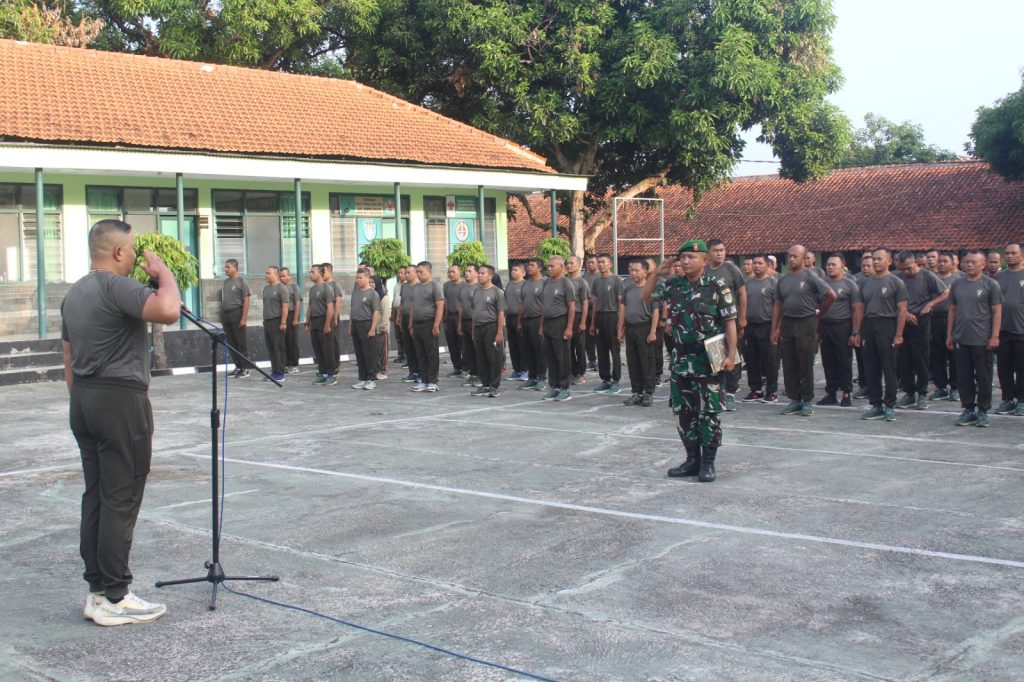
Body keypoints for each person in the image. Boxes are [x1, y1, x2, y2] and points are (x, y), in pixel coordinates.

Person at [62, 218, 181, 626]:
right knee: (122, 495)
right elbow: (168, 309)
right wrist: (163, 274)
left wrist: (80, 398)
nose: (134, 256)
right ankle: (116, 594)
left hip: (84, 397)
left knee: (96, 493)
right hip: (119, 399)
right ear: (117, 252)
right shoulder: (117, 286)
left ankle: (97, 590)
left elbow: (67, 354)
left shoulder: (75, 293)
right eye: (131, 250)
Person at [647, 240, 738, 483]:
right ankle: (692, 460)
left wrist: (730, 355)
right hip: (680, 358)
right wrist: (657, 272)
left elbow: (730, 322)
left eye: (691, 257)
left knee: (709, 413)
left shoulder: (717, 286)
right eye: (682, 257)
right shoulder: (673, 285)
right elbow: (647, 296)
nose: (685, 261)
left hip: (708, 357)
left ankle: (708, 462)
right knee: (684, 412)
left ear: (704, 260)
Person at [771, 245, 836, 416]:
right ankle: (794, 399)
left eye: (795, 256)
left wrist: (819, 313)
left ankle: (807, 400)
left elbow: (831, 296)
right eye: (789, 256)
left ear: (803, 258)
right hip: (788, 323)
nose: (792, 259)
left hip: (806, 322)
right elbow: (778, 305)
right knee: (789, 363)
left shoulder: (810, 277)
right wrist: (775, 329)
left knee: (805, 362)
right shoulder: (783, 280)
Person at [947, 251, 1002, 427]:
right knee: (964, 376)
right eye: (966, 262)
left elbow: (996, 311)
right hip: (961, 338)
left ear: (983, 264)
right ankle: (968, 408)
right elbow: (953, 310)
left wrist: (994, 336)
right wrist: (950, 334)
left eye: (973, 262)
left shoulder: (991, 284)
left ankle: (983, 410)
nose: (969, 265)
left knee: (984, 377)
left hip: (982, 339)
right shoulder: (957, 284)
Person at [858, 248, 908, 422]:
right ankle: (876, 404)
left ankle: (890, 405)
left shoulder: (896, 282)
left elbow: (902, 310)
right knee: (871, 368)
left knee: (889, 368)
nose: (876, 262)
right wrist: (858, 331)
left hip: (887, 325)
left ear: (889, 261)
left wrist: (899, 334)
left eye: (880, 259)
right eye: (874, 259)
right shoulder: (864, 283)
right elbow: (860, 308)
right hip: (869, 325)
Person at [894, 251, 948, 409]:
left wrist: (930, 304)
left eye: (909, 268)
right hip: (903, 319)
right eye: (903, 269)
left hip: (921, 321)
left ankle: (922, 393)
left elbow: (945, 293)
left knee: (921, 358)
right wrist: (904, 314)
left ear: (916, 263)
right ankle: (909, 393)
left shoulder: (927, 276)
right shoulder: (897, 277)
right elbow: (892, 300)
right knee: (904, 359)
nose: (906, 272)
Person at [706, 239, 747, 411]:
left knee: (732, 355)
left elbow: (742, 293)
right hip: (711, 320)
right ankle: (718, 391)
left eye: (722, 250)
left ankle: (731, 392)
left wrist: (742, 318)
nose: (720, 253)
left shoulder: (731, 269)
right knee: (714, 356)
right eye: (716, 250)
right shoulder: (704, 271)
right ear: (708, 253)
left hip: (730, 318)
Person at [817, 254, 860, 407]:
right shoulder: (822, 285)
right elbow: (817, 308)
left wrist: (855, 331)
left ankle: (846, 393)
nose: (830, 267)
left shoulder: (850, 284)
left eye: (833, 264)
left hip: (843, 326)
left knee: (844, 361)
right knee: (828, 361)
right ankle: (831, 393)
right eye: (828, 264)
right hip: (825, 326)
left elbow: (856, 310)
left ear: (843, 266)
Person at [622, 259, 659, 406]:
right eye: (631, 270)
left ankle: (648, 393)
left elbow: (656, 311)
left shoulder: (651, 288)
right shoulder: (628, 289)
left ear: (645, 271)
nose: (633, 273)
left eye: (637, 270)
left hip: (645, 328)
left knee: (647, 361)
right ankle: (636, 392)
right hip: (630, 328)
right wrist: (620, 329)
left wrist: (653, 331)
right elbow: (623, 310)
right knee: (633, 362)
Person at [741, 255, 778, 403]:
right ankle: (755, 390)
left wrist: (776, 328)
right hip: (750, 326)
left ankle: (772, 391)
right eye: (754, 263)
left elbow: (778, 306)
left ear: (767, 265)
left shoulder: (773, 283)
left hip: (767, 325)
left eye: (760, 263)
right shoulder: (747, 283)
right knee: (751, 359)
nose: (756, 266)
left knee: (770, 360)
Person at [539, 255, 576, 401]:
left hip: (560, 322)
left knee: (562, 357)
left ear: (562, 267)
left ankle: (564, 388)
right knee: (551, 356)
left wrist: (569, 327)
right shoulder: (547, 282)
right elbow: (544, 306)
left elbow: (572, 307)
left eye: (552, 266)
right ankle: (554, 386)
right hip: (547, 323)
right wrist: (541, 325)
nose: (549, 268)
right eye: (548, 266)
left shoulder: (566, 283)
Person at [994, 243, 1024, 415]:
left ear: (1022, 255)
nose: (1010, 256)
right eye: (1007, 253)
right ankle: (1008, 399)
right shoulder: (998, 277)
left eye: (1013, 253)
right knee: (1004, 366)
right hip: (1002, 329)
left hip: (1021, 329)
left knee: (1022, 367)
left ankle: (1022, 399)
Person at [590, 253, 624, 394]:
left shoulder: (616, 280)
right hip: (600, 317)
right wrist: (592, 323)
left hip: (612, 316)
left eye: (603, 262)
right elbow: (595, 303)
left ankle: (616, 380)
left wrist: (620, 325)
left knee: (614, 350)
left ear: (610, 264)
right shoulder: (597, 282)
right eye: (599, 262)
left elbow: (621, 303)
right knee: (601, 350)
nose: (601, 264)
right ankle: (606, 379)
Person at [471, 264, 507, 397]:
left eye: (482, 273)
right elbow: (475, 312)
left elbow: (501, 313)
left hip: (491, 327)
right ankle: (485, 384)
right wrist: (474, 331)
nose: (479, 275)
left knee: (493, 358)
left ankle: (494, 385)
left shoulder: (497, 292)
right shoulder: (476, 292)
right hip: (479, 327)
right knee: (481, 358)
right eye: (478, 273)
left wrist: (499, 332)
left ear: (490, 276)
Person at [929, 252, 960, 401]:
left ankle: (955, 387)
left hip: (953, 320)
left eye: (945, 261)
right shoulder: (931, 279)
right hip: (935, 320)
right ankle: (941, 387)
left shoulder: (959, 280)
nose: (941, 264)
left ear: (953, 263)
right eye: (939, 261)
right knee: (936, 355)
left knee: (954, 355)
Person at [409, 261, 444, 392]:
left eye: (421, 272)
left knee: (431, 353)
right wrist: (411, 325)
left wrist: (436, 325)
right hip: (417, 325)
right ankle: (423, 380)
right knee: (420, 354)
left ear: (429, 272)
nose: (418, 274)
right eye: (417, 272)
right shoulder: (416, 287)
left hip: (429, 323)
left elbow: (440, 306)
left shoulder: (435, 286)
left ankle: (432, 381)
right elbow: (413, 307)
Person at [517, 258, 548, 391]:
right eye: (528, 265)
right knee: (527, 350)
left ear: (539, 268)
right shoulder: (525, 284)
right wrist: (519, 321)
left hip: (538, 320)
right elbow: (522, 304)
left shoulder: (545, 283)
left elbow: (546, 305)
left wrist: (542, 325)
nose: (529, 267)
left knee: (540, 350)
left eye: (532, 265)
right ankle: (532, 377)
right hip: (526, 320)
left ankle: (541, 378)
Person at [349, 268, 382, 390]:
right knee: (360, 354)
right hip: (356, 325)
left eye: (360, 278)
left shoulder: (373, 293)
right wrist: (350, 326)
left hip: (367, 324)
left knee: (369, 353)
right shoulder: (356, 292)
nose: (358, 280)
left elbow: (376, 312)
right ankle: (362, 378)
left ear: (368, 278)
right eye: (357, 278)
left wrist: (373, 328)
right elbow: (352, 310)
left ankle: (371, 379)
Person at [306, 264, 337, 386]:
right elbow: (309, 307)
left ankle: (331, 375)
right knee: (318, 349)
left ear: (320, 273)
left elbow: (330, 308)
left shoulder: (326, 288)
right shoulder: (312, 290)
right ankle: (323, 373)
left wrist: (327, 324)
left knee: (327, 348)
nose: (310, 274)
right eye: (310, 272)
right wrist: (307, 323)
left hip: (324, 320)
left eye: (312, 272)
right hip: (314, 321)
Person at [221, 258, 251, 377]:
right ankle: (238, 366)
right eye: (225, 267)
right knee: (231, 343)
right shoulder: (226, 282)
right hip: (226, 315)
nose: (226, 269)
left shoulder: (242, 281)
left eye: (228, 267)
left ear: (235, 268)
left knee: (240, 342)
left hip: (237, 313)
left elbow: (246, 300)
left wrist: (243, 318)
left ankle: (245, 368)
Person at [262, 265, 290, 382]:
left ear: (276, 274)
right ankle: (274, 371)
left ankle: (280, 373)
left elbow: (285, 306)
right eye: (266, 273)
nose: (266, 275)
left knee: (277, 347)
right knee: (271, 348)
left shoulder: (281, 288)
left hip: (277, 321)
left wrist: (283, 322)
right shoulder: (266, 288)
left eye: (269, 273)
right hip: (267, 321)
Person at [567, 255, 591, 385]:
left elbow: (585, 303)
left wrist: (583, 322)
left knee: (579, 346)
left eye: (572, 263)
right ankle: (571, 372)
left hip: (578, 315)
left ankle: (581, 373)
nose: (569, 265)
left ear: (579, 265)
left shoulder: (582, 282)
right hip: (566, 317)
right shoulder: (564, 281)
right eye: (567, 263)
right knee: (568, 346)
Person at [457, 264, 480, 387]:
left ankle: (482, 375)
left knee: (478, 350)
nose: (467, 273)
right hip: (465, 322)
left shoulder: (479, 287)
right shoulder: (463, 288)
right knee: (468, 350)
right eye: (466, 271)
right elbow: (461, 307)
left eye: (470, 271)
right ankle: (473, 374)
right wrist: (460, 324)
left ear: (476, 273)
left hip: (475, 323)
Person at [398, 266, 420, 383]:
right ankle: (413, 371)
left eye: (408, 272)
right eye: (405, 272)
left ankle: (421, 371)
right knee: (408, 347)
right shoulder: (404, 286)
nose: (406, 274)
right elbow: (402, 303)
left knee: (418, 347)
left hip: (416, 318)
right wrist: (399, 317)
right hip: (405, 317)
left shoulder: (419, 286)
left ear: (416, 273)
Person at [505, 263, 526, 380]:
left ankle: (524, 370)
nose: (513, 272)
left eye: (516, 270)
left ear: (523, 273)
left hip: (521, 319)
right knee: (512, 346)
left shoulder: (524, 285)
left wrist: (520, 321)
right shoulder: (509, 284)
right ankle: (516, 369)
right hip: (510, 318)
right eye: (512, 270)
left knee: (522, 345)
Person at [279, 267, 303, 374]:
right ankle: (284, 363)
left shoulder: (294, 287)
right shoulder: (278, 288)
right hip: (281, 316)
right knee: (282, 341)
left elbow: (298, 302)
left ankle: (293, 364)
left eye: (284, 276)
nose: (282, 278)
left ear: (289, 276)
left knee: (292, 341)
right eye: (280, 276)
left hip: (291, 315)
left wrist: (295, 318)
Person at [443, 265, 465, 377]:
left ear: (460, 272)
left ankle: (466, 368)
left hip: (461, 317)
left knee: (463, 344)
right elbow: (445, 303)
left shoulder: (465, 285)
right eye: (449, 271)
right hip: (449, 317)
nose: (451, 274)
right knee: (452, 344)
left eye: (453, 271)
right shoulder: (446, 285)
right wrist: (445, 319)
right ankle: (457, 367)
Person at [322, 263, 343, 375]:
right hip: (323, 317)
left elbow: (338, 301)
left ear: (330, 272)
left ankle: (335, 366)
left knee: (333, 342)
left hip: (332, 317)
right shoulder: (321, 285)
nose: (322, 274)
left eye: (324, 272)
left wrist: (335, 316)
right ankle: (326, 366)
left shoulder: (334, 285)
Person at [583, 254, 601, 371]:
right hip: (586, 310)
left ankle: (601, 360)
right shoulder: (584, 277)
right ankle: (591, 360)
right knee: (587, 337)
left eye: (592, 262)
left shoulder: (601, 277)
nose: (590, 264)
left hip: (599, 310)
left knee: (599, 337)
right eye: (588, 262)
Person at [392, 265, 407, 364]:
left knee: (404, 335)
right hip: (395, 310)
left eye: (402, 273)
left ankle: (406, 357)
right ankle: (400, 355)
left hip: (403, 312)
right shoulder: (397, 285)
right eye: (399, 273)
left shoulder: (407, 286)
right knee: (397, 335)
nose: (400, 275)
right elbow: (395, 298)